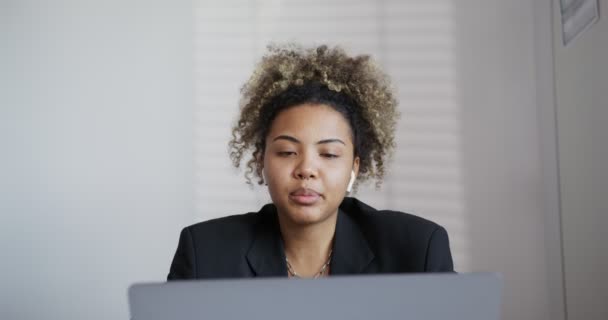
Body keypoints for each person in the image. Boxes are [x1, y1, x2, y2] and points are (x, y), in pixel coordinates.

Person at [168, 44, 453, 280]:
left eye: (328, 154)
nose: (306, 169)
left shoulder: (418, 249)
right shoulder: (204, 252)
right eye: (287, 152)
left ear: (354, 168)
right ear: (261, 163)